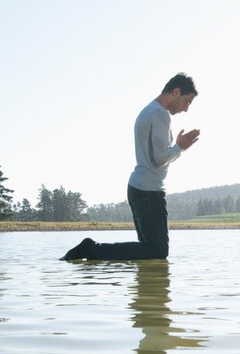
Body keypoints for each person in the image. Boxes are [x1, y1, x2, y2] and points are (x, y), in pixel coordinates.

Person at [60, 73, 200, 261]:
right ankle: (92, 249)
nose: (186, 109)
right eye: (187, 101)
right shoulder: (160, 114)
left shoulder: (148, 110)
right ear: (176, 91)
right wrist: (179, 147)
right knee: (157, 251)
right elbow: (159, 158)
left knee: (148, 251)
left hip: (139, 189)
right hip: (149, 191)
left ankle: (141, 288)